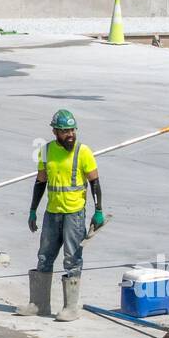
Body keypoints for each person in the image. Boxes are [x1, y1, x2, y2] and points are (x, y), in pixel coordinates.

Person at [20, 109, 105, 322]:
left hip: (74, 214)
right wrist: (33, 210)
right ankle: (39, 304)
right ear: (55, 131)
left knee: (72, 258)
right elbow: (40, 182)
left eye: (72, 130)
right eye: (65, 131)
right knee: (44, 256)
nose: (70, 134)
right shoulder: (47, 151)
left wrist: (99, 210)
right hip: (52, 213)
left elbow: (95, 182)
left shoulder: (83, 152)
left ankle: (71, 308)